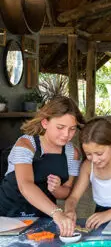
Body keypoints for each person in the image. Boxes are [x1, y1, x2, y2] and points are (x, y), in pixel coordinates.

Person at [0, 96, 85, 236]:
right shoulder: (26, 145)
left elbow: (66, 191)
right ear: (45, 123)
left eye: (72, 129)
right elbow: (25, 185)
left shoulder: (72, 153)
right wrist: (57, 213)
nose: (66, 135)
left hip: (43, 214)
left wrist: (57, 189)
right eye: (60, 127)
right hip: (9, 214)